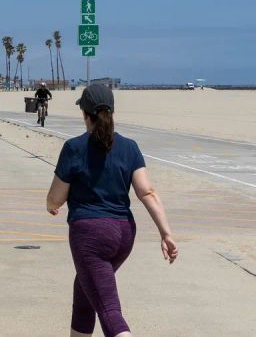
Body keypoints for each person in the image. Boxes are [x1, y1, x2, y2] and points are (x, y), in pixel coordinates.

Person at [46, 84, 178, 337]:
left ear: (85, 114)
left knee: (109, 311)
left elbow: (56, 197)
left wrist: (50, 206)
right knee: (85, 289)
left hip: (91, 235)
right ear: (112, 112)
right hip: (124, 234)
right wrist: (166, 233)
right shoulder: (130, 147)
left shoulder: (74, 147)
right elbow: (147, 192)